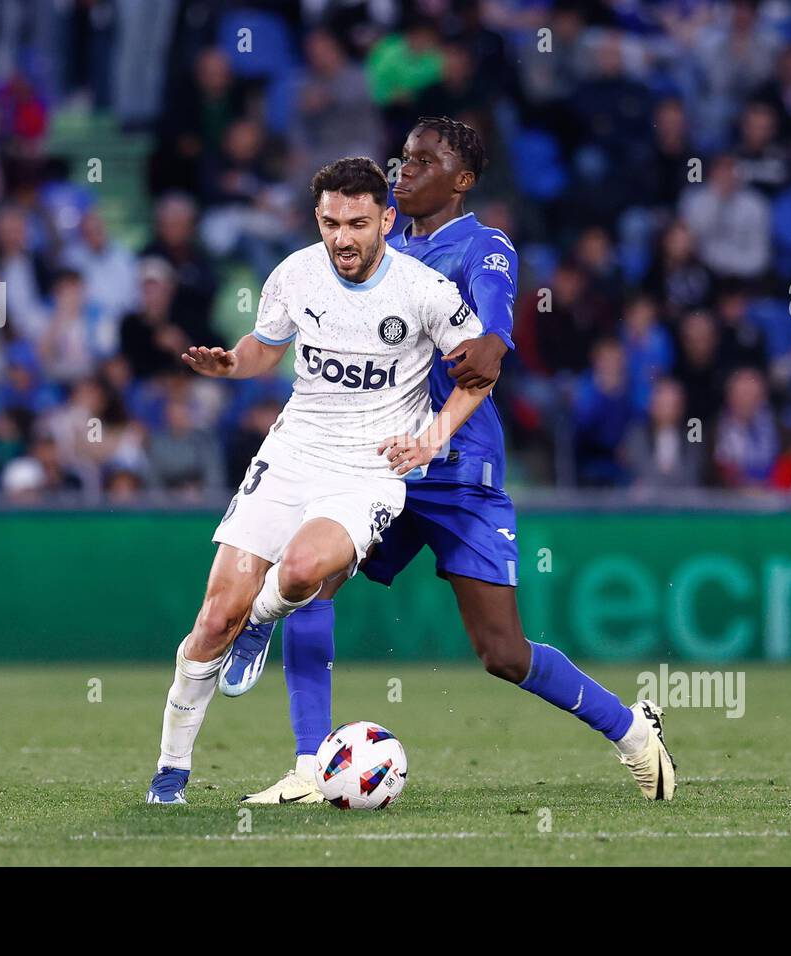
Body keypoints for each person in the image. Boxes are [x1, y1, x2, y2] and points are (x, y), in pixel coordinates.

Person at [223, 118, 676, 806]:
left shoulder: (484, 246)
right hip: (379, 461)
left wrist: (491, 342)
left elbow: (491, 336)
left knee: (503, 652)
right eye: (404, 157)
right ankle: (310, 767)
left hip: (458, 466)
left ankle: (631, 730)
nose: (407, 168)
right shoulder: (376, 245)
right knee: (309, 577)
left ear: (462, 181)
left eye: (426, 161)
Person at [144, 157, 491, 805]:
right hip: (292, 453)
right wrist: (231, 364)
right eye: (331, 222)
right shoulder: (294, 273)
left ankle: (263, 621)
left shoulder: (424, 291)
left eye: (358, 223)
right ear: (317, 220)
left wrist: (433, 435)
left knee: (302, 570)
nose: (343, 238)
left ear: (387, 219)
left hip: (369, 471)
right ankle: (171, 770)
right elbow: (264, 347)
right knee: (215, 615)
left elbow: (482, 370)